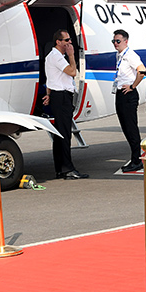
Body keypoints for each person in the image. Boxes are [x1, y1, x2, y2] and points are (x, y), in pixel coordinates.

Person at [43, 29, 88, 180]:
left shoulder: (53, 56)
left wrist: (49, 94)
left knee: (59, 134)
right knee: (64, 134)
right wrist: (72, 55)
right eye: (67, 40)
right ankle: (68, 169)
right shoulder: (57, 57)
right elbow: (72, 72)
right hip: (61, 97)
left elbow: (50, 78)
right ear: (58, 42)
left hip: (58, 96)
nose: (70, 42)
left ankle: (60, 168)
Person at [111, 29, 146, 173]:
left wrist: (133, 86)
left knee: (131, 127)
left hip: (128, 95)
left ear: (126, 41)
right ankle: (135, 158)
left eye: (118, 41)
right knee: (125, 127)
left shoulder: (130, 55)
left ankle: (136, 160)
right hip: (120, 93)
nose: (115, 44)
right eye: (113, 41)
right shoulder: (119, 55)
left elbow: (142, 70)